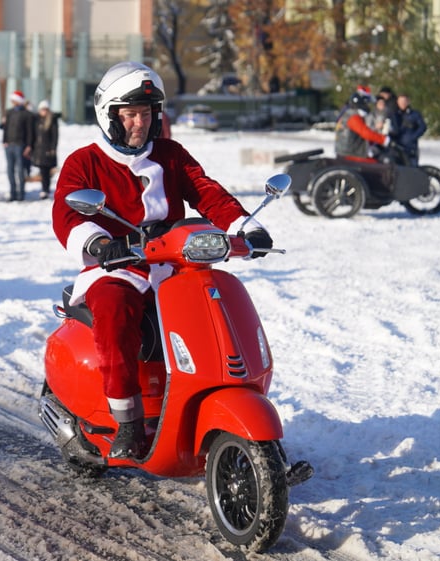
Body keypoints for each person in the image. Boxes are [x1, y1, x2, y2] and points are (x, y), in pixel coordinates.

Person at [52, 61, 272, 459]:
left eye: (148, 114)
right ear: (110, 115)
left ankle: (213, 403)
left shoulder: (170, 153)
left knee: (217, 307)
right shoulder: (84, 162)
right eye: (131, 114)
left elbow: (206, 191)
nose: (140, 123)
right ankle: (129, 422)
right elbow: (67, 215)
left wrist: (244, 226)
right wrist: (101, 244)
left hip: (177, 265)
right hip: (119, 268)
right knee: (116, 311)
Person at [334, 89, 390, 162]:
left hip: (347, 152)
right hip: (351, 154)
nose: (368, 107)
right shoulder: (353, 117)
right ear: (361, 104)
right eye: (366, 104)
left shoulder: (349, 114)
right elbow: (365, 133)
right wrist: (384, 140)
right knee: (379, 166)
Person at [1, 90, 34, 201]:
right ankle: (13, 193)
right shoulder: (9, 112)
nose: (12, 101)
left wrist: (29, 145)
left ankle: (21, 193)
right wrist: (4, 140)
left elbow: (30, 131)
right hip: (9, 144)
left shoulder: (26, 114)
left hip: (21, 145)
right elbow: (6, 128)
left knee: (20, 170)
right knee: (10, 170)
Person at [31, 100, 59, 200]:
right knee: (43, 170)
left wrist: (52, 148)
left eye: (45, 110)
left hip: (47, 149)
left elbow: (55, 136)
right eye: (42, 110)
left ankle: (45, 189)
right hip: (39, 150)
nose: (44, 112)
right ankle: (44, 189)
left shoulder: (52, 120)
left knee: (46, 171)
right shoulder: (37, 120)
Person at [393, 94, 427, 166]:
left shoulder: (415, 114)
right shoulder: (394, 114)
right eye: (400, 102)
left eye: (404, 102)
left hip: (410, 147)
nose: (402, 104)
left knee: (412, 168)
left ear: (408, 102)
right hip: (397, 146)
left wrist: (413, 137)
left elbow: (423, 127)